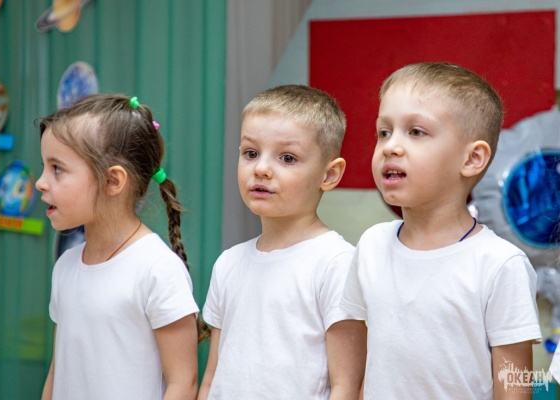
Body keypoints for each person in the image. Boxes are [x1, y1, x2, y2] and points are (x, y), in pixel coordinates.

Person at [340, 62, 542, 399]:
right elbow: (361, 368)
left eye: (416, 132)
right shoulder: (372, 245)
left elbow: (516, 388)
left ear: (472, 159)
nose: (390, 146)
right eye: (384, 132)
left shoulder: (500, 264)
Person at [198, 85, 365, 400]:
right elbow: (212, 379)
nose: (261, 168)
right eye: (250, 153)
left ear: (329, 175)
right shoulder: (228, 263)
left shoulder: (337, 263)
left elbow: (348, 386)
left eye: (287, 158)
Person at [37, 94, 200, 400]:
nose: (40, 182)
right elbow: (58, 372)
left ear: (113, 181)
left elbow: (184, 384)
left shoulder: (157, 269)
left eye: (57, 168)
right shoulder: (66, 265)